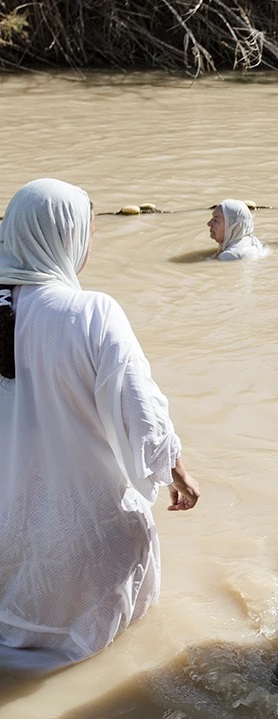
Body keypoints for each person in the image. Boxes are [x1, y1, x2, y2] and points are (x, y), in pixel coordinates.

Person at [0, 178, 199, 673]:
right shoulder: (91, 313)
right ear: (66, 237)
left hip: (6, 540)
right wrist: (178, 474)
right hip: (82, 542)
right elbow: (144, 416)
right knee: (95, 665)